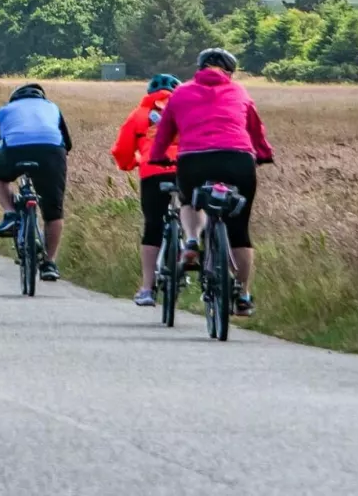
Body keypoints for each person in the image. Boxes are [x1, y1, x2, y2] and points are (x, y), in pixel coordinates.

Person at [147, 48, 272, 318]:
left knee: (190, 200)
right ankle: (242, 294)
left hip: (194, 159)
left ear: (200, 68)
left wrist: (157, 157)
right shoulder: (240, 92)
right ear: (229, 71)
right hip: (238, 159)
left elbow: (164, 131)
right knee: (239, 229)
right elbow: (255, 130)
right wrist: (264, 154)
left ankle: (192, 240)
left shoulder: (180, 93)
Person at [0, 82, 72, 282]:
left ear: (15, 98)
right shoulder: (52, 108)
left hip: (15, 151)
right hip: (51, 153)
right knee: (54, 212)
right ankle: (50, 264)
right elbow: (67, 143)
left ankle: (11, 213)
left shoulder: (5, 110)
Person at [111, 73, 182, 306]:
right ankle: (191, 247)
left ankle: (147, 288)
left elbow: (122, 149)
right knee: (195, 215)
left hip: (153, 172)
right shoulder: (188, 111)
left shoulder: (139, 114)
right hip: (186, 170)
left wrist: (129, 164)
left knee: (153, 225)